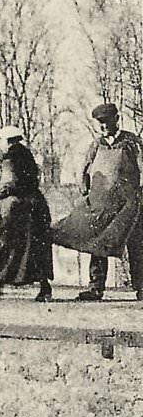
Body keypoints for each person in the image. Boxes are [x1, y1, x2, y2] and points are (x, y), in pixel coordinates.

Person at [52, 103, 143, 301]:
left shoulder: (131, 142)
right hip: (103, 205)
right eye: (100, 124)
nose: (103, 127)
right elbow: (84, 170)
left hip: (130, 205)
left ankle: (142, 288)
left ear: (116, 119)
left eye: (106, 122)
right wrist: (85, 191)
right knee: (97, 243)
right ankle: (95, 288)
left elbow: (142, 166)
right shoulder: (96, 145)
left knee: (136, 245)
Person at [0, 127, 54, 300]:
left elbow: (10, 184)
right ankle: (44, 288)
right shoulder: (26, 154)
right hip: (36, 206)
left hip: (20, 209)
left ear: (7, 141)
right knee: (35, 249)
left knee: (7, 244)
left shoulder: (10, 157)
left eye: (0, 141)